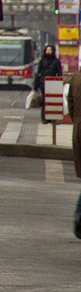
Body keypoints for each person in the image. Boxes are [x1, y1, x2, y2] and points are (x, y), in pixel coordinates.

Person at [69, 67, 81, 238]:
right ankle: (79, 212)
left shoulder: (76, 77)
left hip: (78, 131)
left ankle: (79, 213)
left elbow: (70, 103)